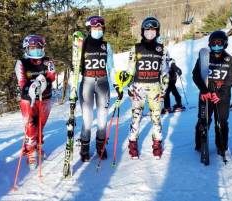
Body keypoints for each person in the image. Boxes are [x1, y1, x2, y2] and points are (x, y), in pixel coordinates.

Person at [119, 17, 170, 159]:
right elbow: (130, 70)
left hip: (155, 88)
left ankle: (157, 145)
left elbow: (165, 73)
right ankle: (133, 144)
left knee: (156, 118)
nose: (150, 32)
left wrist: (164, 90)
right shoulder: (135, 48)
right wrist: (128, 86)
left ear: (157, 32)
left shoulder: (162, 49)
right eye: (147, 30)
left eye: (153, 30)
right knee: (136, 117)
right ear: (142, 31)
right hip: (138, 87)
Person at [69, 16, 115, 162]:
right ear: (89, 29)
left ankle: (101, 146)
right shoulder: (82, 44)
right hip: (87, 82)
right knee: (87, 119)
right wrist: (73, 86)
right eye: (95, 28)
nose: (98, 30)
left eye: (100, 28)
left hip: (103, 82)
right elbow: (75, 67)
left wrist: (116, 84)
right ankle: (84, 149)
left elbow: (111, 67)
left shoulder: (106, 46)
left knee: (102, 119)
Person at [192, 30, 232, 157]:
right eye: (214, 43)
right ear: (209, 44)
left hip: (222, 96)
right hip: (206, 94)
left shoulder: (229, 60)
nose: (216, 46)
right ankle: (200, 145)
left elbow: (231, 78)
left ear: (225, 44)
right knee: (203, 120)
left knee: (222, 122)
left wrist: (220, 94)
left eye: (220, 43)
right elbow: (196, 75)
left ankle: (222, 146)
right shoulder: (204, 57)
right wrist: (204, 90)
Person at [15, 34, 56, 169]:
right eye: (32, 47)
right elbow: (22, 82)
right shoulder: (22, 63)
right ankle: (30, 151)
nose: (36, 50)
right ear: (27, 48)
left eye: (38, 47)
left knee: (40, 125)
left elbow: (51, 77)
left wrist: (44, 84)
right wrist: (31, 88)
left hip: (45, 98)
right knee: (30, 125)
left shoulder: (48, 62)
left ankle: (38, 146)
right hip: (28, 100)